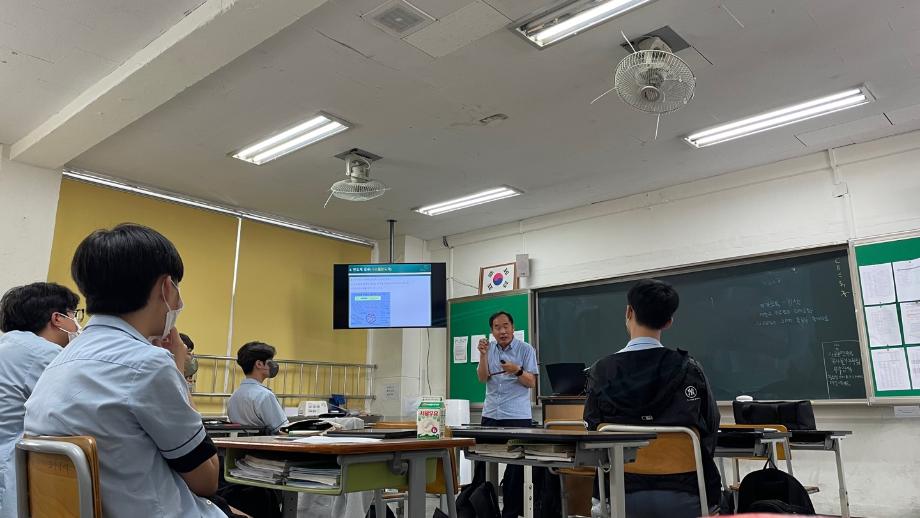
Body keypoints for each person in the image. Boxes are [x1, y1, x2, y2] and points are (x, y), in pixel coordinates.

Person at [23, 223, 237, 518]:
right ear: (166, 287)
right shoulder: (147, 364)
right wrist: (177, 368)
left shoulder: (60, 362)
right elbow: (206, 480)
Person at [583, 278, 721, 518]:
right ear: (669, 321)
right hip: (687, 493)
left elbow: (592, 430)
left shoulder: (601, 372)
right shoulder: (690, 370)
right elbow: (710, 426)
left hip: (619, 495)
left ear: (629, 312)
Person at [0, 282, 81, 518]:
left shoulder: (9, 346)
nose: (77, 324)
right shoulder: (45, 353)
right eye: (74, 315)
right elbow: (78, 412)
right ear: (58, 319)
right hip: (11, 467)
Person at [475, 311, 538, 518]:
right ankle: (484, 511)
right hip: (491, 414)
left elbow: (531, 382)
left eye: (505, 326)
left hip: (516, 417)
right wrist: (483, 355)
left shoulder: (526, 349)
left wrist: (517, 370)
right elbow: (482, 378)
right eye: (497, 327)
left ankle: (510, 514)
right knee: (482, 465)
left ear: (513, 327)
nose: (502, 331)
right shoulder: (489, 350)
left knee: (516, 469)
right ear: (492, 331)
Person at [227, 341, 289, 434]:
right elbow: (283, 430)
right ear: (259, 364)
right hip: (264, 443)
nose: (274, 365)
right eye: (270, 361)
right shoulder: (265, 396)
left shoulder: (234, 396)